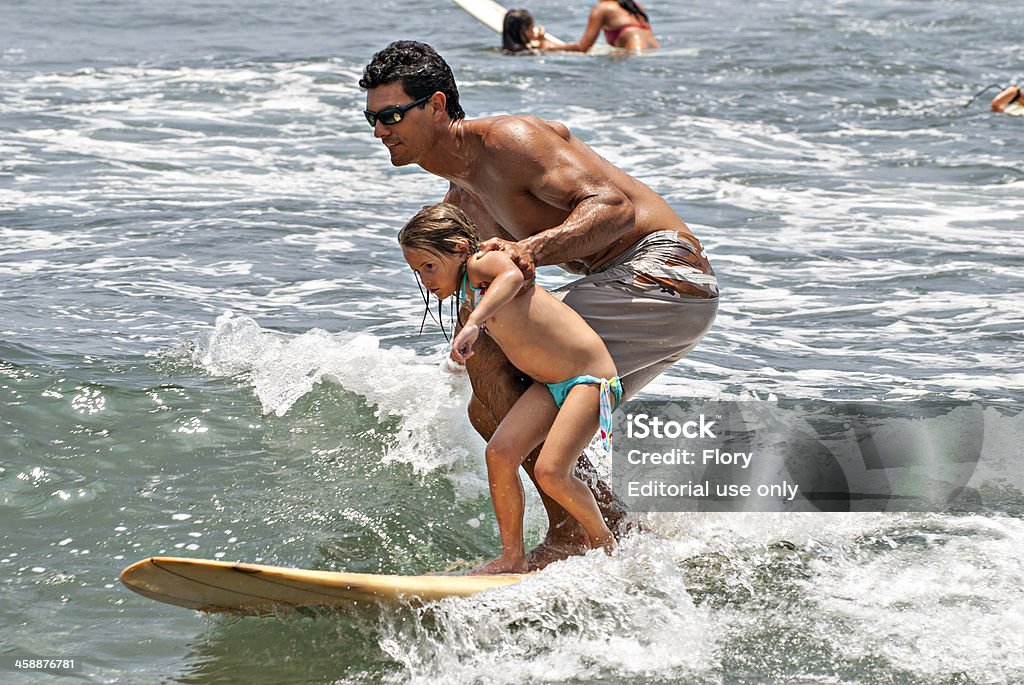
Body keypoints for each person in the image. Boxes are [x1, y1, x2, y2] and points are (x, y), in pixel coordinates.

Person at [360, 41, 718, 568]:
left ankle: (578, 535)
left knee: (500, 372)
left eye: (391, 115)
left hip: (663, 274)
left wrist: (531, 249)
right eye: (371, 119)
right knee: (488, 405)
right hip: (634, 297)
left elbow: (613, 208)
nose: (379, 131)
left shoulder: (509, 140)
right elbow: (477, 290)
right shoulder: (461, 202)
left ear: (436, 105)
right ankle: (611, 528)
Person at [399, 203, 621, 574]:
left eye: (428, 266)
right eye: (417, 272)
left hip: (590, 380)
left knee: (551, 471)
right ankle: (512, 556)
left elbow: (513, 275)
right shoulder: (470, 290)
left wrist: (474, 323)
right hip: (552, 386)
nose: (425, 279)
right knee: (500, 454)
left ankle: (608, 548)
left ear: (457, 248)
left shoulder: (481, 263)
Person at [544, 0, 659, 53]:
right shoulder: (634, 6)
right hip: (653, 53)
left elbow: (583, 47)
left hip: (631, 56)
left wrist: (548, 47)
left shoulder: (602, 9)